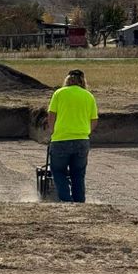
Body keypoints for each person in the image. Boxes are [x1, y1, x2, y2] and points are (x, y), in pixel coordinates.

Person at [46, 69, 98, 203]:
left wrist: (53, 132)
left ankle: (66, 201)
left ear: (67, 80)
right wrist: (85, 132)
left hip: (61, 140)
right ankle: (80, 203)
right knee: (78, 174)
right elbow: (94, 120)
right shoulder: (88, 96)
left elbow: (51, 115)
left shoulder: (59, 93)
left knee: (58, 172)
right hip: (82, 141)